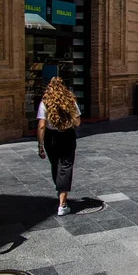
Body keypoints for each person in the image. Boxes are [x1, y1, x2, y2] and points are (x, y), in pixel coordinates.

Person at [37, 77, 81, 216]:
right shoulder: (70, 101)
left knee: (56, 165)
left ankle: (61, 194)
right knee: (66, 166)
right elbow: (78, 122)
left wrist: (40, 144)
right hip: (67, 136)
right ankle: (62, 204)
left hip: (51, 138)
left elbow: (41, 126)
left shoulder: (45, 102)